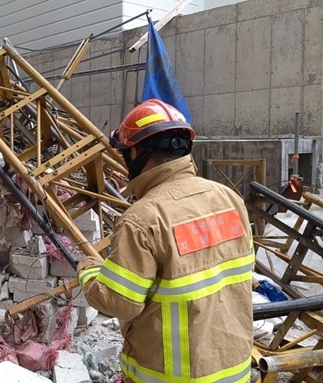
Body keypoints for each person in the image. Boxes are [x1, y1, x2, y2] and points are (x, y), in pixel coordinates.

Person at [78, 99, 255, 382]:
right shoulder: (229, 199)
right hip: (234, 372)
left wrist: (88, 271)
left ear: (136, 152)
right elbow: (243, 273)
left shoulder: (143, 219)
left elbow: (118, 302)